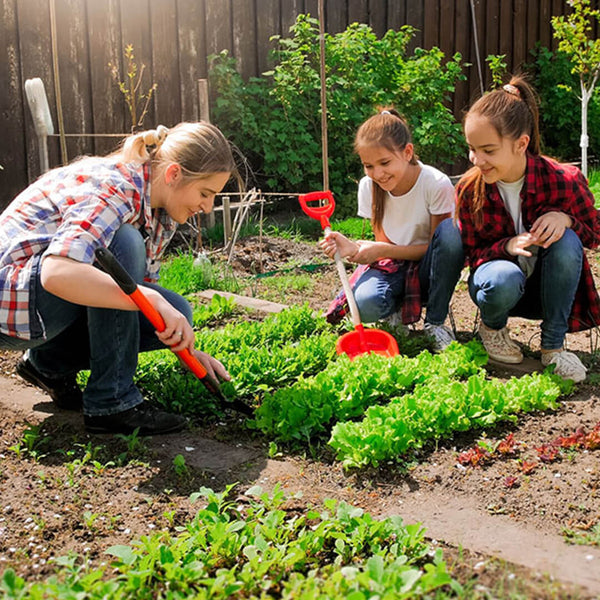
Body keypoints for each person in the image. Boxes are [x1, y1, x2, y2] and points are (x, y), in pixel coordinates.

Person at [0, 122, 237, 434]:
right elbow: (56, 272)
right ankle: (112, 402)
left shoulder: (159, 209)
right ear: (174, 174)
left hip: (39, 307)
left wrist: (188, 352)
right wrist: (147, 297)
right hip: (12, 302)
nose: (207, 207)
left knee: (176, 312)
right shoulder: (116, 188)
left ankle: (47, 364)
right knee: (122, 242)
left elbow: (140, 289)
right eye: (205, 193)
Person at [457, 76, 600, 383]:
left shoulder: (564, 179)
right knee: (502, 277)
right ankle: (493, 329)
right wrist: (506, 247)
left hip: (547, 291)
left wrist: (568, 220)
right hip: (499, 288)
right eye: (472, 148)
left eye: (488, 150)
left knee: (568, 241)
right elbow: (471, 255)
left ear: (521, 144)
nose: (477, 160)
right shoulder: (470, 189)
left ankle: (553, 347)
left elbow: (595, 233)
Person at [320, 108, 464, 352]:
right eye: (369, 165)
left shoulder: (435, 183)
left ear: (407, 152)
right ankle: (393, 313)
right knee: (364, 303)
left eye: (385, 163)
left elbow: (441, 248)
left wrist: (381, 250)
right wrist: (353, 248)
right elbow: (384, 250)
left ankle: (435, 324)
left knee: (452, 233)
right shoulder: (369, 186)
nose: (378, 174)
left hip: (433, 268)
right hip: (394, 265)